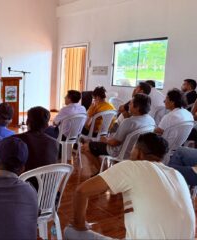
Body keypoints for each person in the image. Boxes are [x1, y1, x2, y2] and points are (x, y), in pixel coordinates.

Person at [66, 132, 195, 239]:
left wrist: (80, 224)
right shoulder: (176, 174)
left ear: (138, 152)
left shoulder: (133, 166)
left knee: (70, 232)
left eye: (133, 148)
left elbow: (81, 191)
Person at [82, 94, 155, 174]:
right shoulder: (151, 120)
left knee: (86, 147)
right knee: (96, 145)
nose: (128, 105)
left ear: (137, 107)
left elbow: (114, 143)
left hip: (118, 152)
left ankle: (101, 173)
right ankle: (104, 171)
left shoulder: (129, 122)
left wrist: (105, 140)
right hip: (135, 152)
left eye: (130, 103)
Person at [15, 106, 59, 171]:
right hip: (47, 180)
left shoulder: (16, 140)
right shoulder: (54, 143)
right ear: (47, 125)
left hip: (24, 179)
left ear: (27, 122)